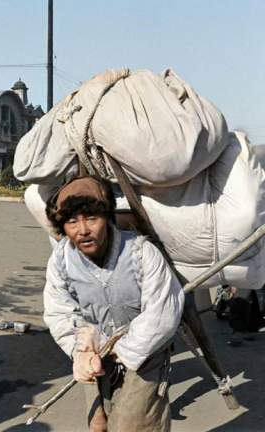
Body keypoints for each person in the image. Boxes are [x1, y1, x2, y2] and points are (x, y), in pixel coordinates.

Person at [43, 175, 184, 432]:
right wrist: (80, 351)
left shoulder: (141, 253)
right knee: (98, 425)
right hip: (95, 350)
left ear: (107, 219)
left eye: (92, 219)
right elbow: (59, 310)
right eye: (72, 222)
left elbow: (162, 313)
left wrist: (125, 351)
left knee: (132, 426)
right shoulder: (62, 260)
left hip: (145, 352)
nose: (83, 230)